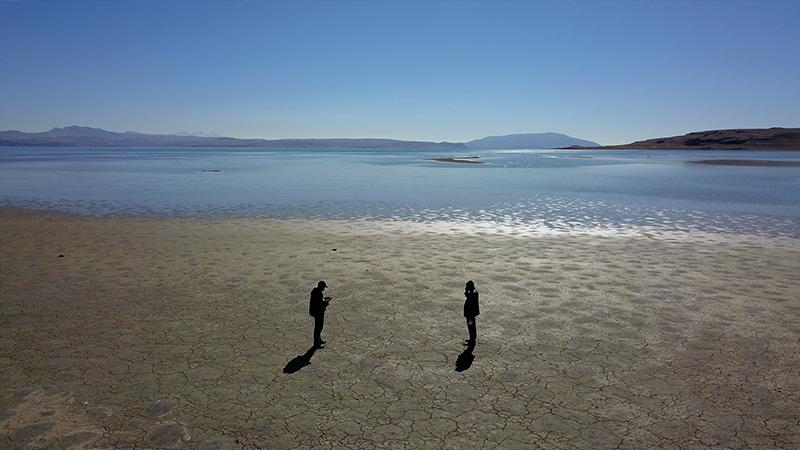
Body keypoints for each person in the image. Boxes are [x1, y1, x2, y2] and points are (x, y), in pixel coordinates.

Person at [309, 281, 331, 348]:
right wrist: (326, 302)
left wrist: (324, 302)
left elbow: (319, 302)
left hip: (316, 312)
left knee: (319, 327)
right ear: (320, 286)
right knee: (318, 327)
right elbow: (319, 304)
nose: (324, 289)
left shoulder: (316, 292)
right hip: (318, 312)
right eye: (323, 287)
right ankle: (316, 343)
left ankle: (318, 339)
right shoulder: (318, 294)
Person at [463, 280, 480, 344]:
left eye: (467, 286)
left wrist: (466, 291)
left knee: (471, 326)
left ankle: (472, 339)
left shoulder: (473, 293)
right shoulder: (473, 291)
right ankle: (472, 338)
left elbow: (469, 299)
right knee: (470, 326)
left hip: (471, 314)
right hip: (470, 313)